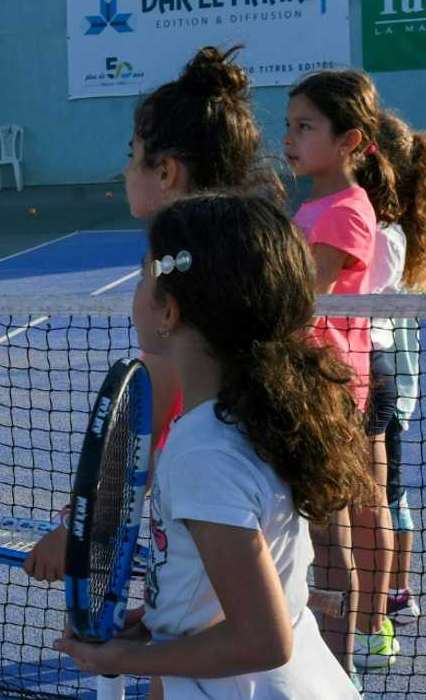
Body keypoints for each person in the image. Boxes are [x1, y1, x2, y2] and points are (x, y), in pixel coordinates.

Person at [54, 193, 371, 698]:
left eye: (143, 278)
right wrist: (155, 625)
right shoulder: (253, 418)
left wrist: (129, 657)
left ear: (170, 312)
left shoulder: (204, 453)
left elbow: (262, 639)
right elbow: (222, 598)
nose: (136, 291)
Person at [24, 45, 268, 563]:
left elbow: (145, 422)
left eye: (132, 154)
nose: (125, 170)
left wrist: (81, 527)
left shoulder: (169, 272)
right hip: (257, 481)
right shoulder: (255, 250)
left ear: (166, 172)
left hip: (207, 492)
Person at [285, 70, 399, 679]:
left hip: (328, 391)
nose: (290, 138)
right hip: (303, 383)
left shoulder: (347, 210)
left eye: (306, 127)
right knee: (310, 530)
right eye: (288, 126)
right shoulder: (314, 204)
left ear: (350, 139)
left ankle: (339, 668)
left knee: (330, 537)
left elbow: (303, 295)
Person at [373, 113, 426, 627]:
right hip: (401, 382)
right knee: (394, 491)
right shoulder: (409, 227)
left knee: (381, 496)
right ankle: (398, 591)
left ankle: (384, 599)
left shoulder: (387, 233)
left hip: (383, 375)